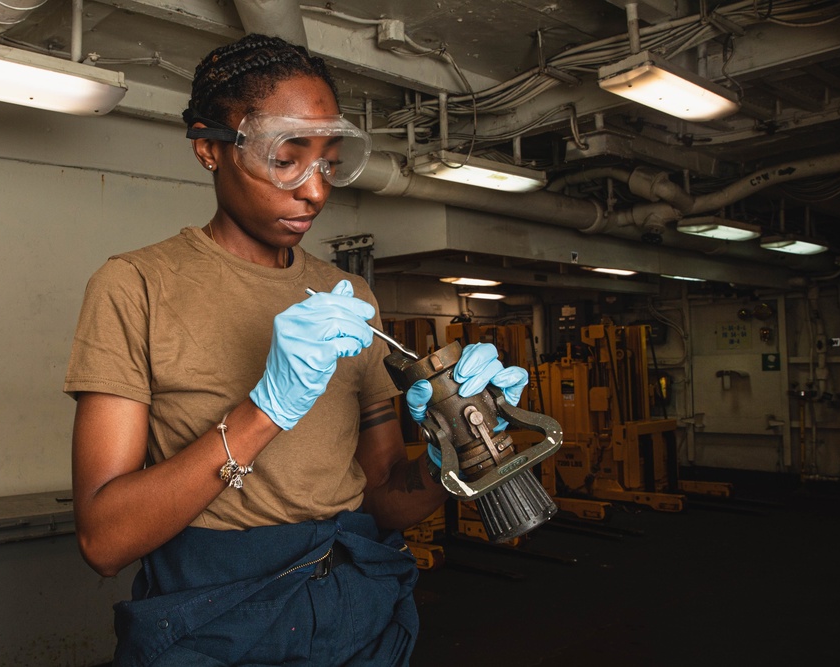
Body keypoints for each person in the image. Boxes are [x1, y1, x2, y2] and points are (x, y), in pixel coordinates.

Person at [64, 32, 527, 667]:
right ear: (208, 148)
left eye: (329, 162)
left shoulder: (348, 293)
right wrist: (267, 411)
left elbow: (385, 499)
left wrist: (464, 441)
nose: (315, 191)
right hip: (215, 619)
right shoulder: (136, 286)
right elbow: (104, 539)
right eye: (286, 158)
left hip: (357, 605)